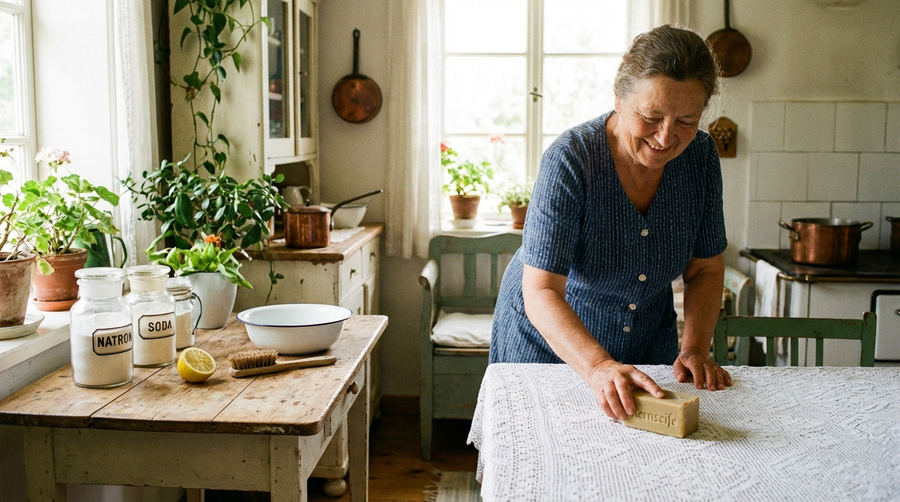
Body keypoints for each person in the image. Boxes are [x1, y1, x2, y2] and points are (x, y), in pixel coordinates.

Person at [490, 25, 732, 422]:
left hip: (647, 339)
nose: (666, 136)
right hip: (553, 347)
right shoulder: (571, 159)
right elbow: (542, 290)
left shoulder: (701, 158)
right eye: (651, 116)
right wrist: (599, 367)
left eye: (686, 120)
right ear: (619, 98)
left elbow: (704, 268)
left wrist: (694, 350)